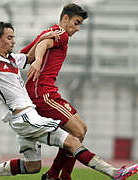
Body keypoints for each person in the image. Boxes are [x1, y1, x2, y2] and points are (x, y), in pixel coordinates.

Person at [0, 21, 138, 180]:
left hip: (25, 119)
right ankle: (115, 173)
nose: (13, 41)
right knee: (72, 141)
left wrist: (45, 36)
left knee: (33, 167)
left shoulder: (11, 59)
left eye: (13, 37)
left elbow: (30, 57)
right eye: (9, 38)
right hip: (25, 118)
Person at [20, 3, 90, 179]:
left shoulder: (48, 32)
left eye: (80, 24)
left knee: (81, 129)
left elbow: (25, 54)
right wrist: (38, 60)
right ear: (65, 18)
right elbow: (43, 45)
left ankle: (54, 175)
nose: (78, 28)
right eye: (76, 22)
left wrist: (35, 54)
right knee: (78, 132)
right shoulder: (60, 34)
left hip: (48, 92)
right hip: (42, 93)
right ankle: (62, 175)